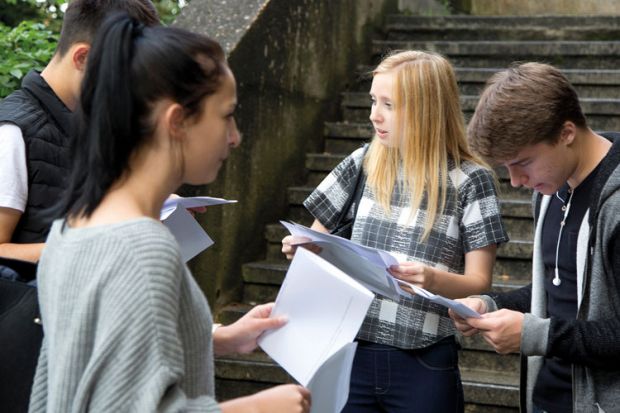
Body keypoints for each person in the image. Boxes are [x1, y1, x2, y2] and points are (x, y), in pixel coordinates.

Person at [29, 14, 311, 412]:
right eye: (227, 115)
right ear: (177, 121)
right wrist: (258, 407)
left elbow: (82, 370)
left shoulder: (72, 224)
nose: (236, 137)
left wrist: (217, 338)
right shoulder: (142, 249)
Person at [282, 50, 508, 412]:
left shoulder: (471, 180)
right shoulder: (361, 163)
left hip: (424, 360)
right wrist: (302, 248)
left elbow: (479, 282)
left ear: (425, 110)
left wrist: (432, 279)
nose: (374, 114)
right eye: (374, 100)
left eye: (389, 104)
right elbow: (315, 239)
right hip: (347, 351)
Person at [451, 62, 620, 413]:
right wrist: (493, 305)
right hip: (547, 399)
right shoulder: (549, 189)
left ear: (566, 133)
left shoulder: (615, 205)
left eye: (523, 163)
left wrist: (536, 335)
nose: (514, 181)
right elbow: (558, 292)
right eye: (506, 168)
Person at [0, 0, 160, 263]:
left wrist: (156, 206)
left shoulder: (94, 126)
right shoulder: (12, 133)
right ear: (83, 58)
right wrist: (86, 246)